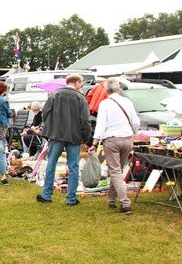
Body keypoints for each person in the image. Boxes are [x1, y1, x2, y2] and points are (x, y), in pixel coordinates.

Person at [37, 74, 91, 206]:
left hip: (56, 135)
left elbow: (45, 113)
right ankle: (71, 198)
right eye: (81, 83)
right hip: (74, 136)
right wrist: (86, 137)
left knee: (51, 164)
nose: (81, 85)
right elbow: (85, 120)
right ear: (76, 82)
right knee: (73, 167)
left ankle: (46, 195)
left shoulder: (55, 95)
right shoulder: (80, 98)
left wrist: (49, 128)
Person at [87, 78, 140, 214]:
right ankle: (111, 199)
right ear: (119, 88)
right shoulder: (127, 102)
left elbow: (101, 125)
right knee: (117, 170)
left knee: (115, 171)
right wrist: (133, 133)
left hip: (111, 140)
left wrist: (94, 143)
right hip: (127, 138)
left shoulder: (104, 104)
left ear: (106, 90)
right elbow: (135, 122)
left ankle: (125, 203)